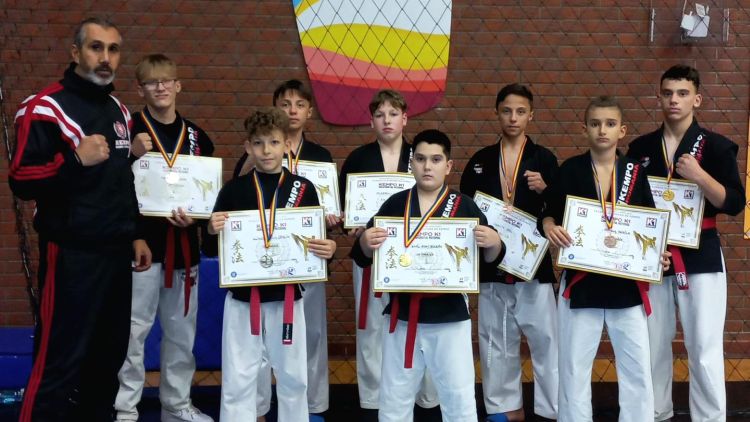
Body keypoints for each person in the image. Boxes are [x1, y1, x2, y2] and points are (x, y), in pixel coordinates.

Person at [9, 17, 151, 421]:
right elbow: (21, 179)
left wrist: (136, 233)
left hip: (116, 253)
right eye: (96, 47)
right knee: (60, 359)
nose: (105, 58)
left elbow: (120, 178)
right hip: (71, 253)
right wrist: (74, 159)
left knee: (107, 361)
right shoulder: (44, 107)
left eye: (113, 49)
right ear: (76, 52)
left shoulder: (118, 109)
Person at [352, 129, 504, 421]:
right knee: (394, 397)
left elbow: (487, 265)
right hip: (402, 316)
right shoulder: (394, 205)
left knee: (458, 396)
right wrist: (365, 242)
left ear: (448, 166)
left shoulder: (464, 206)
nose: (427, 166)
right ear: (411, 163)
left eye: (435, 160)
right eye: (420, 159)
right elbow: (363, 256)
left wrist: (494, 243)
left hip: (450, 317)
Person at [541, 96, 670, 421]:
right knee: (573, 367)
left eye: (610, 124)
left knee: (636, 368)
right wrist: (550, 226)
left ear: (621, 130)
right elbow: (548, 212)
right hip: (581, 284)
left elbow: (649, 223)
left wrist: (658, 255)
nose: (602, 130)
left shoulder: (634, 172)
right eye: (595, 123)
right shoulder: (570, 169)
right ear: (584, 128)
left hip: (626, 286)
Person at [204, 108, 337, 421]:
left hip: (286, 297)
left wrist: (328, 249)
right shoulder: (233, 190)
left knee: (293, 375)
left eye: (274, 142)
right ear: (248, 147)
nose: (266, 150)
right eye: (259, 143)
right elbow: (211, 249)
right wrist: (210, 230)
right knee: (239, 375)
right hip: (243, 298)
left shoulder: (303, 189)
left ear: (287, 145)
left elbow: (316, 245)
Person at [627, 65, 744, 422]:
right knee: (652, 344)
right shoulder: (640, 148)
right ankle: (654, 413)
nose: (674, 100)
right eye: (667, 93)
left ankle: (709, 418)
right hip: (653, 255)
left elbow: (734, 203)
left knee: (704, 346)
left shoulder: (717, 147)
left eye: (682, 93)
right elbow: (628, 202)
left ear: (697, 99)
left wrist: (700, 175)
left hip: (701, 254)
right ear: (659, 98)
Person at [114, 54, 214, 422]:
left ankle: (176, 405)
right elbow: (108, 186)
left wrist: (198, 218)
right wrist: (128, 155)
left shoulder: (199, 138)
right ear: (140, 89)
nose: (160, 87)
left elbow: (208, 194)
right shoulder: (126, 132)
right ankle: (125, 409)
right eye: (151, 82)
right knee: (133, 332)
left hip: (184, 247)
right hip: (141, 248)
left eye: (166, 80)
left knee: (181, 334)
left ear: (178, 85)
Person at [460, 83, 558, 422]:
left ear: (531, 115)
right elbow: (465, 209)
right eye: (506, 111)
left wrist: (547, 189)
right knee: (496, 339)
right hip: (493, 265)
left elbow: (562, 208)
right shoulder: (480, 160)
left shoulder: (545, 159)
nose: (513, 118)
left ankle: (552, 408)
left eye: (520, 111)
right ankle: (506, 408)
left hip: (534, 266)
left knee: (546, 339)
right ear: (497, 113)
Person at [338, 90, 439, 420]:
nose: (387, 120)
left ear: (405, 119)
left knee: (419, 322)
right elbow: (344, 209)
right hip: (373, 252)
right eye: (380, 115)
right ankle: (373, 399)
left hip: (415, 253)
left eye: (393, 114)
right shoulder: (358, 159)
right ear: (371, 121)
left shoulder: (419, 156)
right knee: (371, 326)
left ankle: (425, 395)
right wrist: (351, 225)